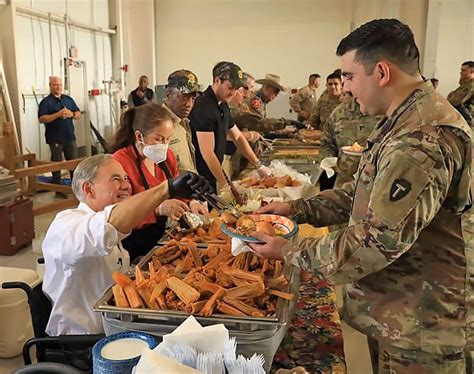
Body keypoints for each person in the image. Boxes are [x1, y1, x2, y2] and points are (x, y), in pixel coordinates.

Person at [250, 19, 472, 373]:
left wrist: (289, 250)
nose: (345, 89)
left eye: (349, 77)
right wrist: (298, 208)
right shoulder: (404, 119)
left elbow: (375, 240)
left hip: (425, 326)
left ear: (381, 72)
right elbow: (365, 192)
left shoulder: (421, 137)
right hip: (402, 311)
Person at [42, 154, 211, 335]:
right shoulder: (66, 224)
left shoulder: (107, 222)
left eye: (125, 179)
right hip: (82, 339)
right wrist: (166, 189)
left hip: (117, 324)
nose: (126, 186)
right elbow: (107, 227)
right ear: (88, 189)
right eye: (115, 179)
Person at [110, 104, 208, 260]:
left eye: (168, 139)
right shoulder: (119, 162)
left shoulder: (167, 156)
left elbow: (177, 189)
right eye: (159, 139)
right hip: (132, 242)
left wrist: (192, 202)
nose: (164, 145)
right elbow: (118, 215)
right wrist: (157, 209)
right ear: (139, 136)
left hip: (160, 238)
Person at [189, 61, 271, 191]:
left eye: (236, 88)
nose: (233, 92)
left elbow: (237, 137)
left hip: (214, 172)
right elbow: (207, 152)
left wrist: (258, 165)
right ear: (217, 80)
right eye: (230, 87)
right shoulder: (204, 107)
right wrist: (225, 184)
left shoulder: (222, 105)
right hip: (201, 176)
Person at [319, 93, 383, 188]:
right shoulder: (339, 113)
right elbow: (327, 144)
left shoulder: (385, 112)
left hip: (377, 185)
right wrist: (329, 162)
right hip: (343, 185)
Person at [38, 76, 81, 184]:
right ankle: (58, 188)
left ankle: (75, 186)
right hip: (55, 139)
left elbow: (78, 114)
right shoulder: (46, 102)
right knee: (56, 165)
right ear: (50, 86)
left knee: (73, 164)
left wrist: (72, 114)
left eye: (60, 85)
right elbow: (42, 118)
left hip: (70, 137)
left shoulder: (68, 99)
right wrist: (58, 114)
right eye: (55, 85)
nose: (58, 87)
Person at [233, 73, 303, 135]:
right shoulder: (256, 100)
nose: (276, 95)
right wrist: (286, 122)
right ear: (266, 88)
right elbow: (259, 123)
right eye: (275, 91)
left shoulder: (261, 100)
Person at [163, 69, 200, 173]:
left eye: (192, 99)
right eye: (184, 97)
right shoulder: (158, 125)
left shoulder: (183, 122)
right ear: (168, 94)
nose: (189, 104)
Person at [447, 61, 474, 126]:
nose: (461, 72)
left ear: (472, 71)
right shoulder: (466, 85)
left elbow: (454, 101)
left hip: (468, 121)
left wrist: (451, 95)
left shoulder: (471, 86)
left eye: (464, 70)